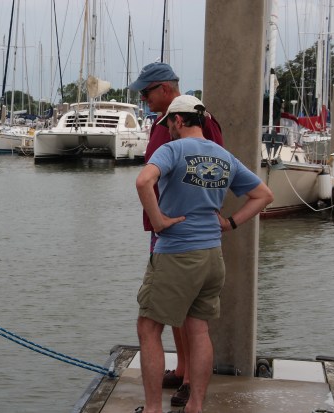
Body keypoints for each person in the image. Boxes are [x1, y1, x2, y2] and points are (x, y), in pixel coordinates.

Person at [134, 95, 273, 413]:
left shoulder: (171, 150)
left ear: (178, 120)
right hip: (212, 256)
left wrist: (158, 221)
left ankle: (153, 409)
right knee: (198, 330)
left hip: (177, 254)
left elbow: (143, 181)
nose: (168, 129)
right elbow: (264, 195)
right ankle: (195, 406)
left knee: (148, 327)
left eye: (169, 123)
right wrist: (230, 223)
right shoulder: (224, 156)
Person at [129, 62, 224, 407]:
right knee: (182, 313)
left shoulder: (197, 120)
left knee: (164, 317)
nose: (143, 98)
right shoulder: (164, 121)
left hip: (180, 230)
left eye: (146, 92)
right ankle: (184, 370)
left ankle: (184, 384)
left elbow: (213, 167)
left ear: (165, 89)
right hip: (176, 228)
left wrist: (162, 220)